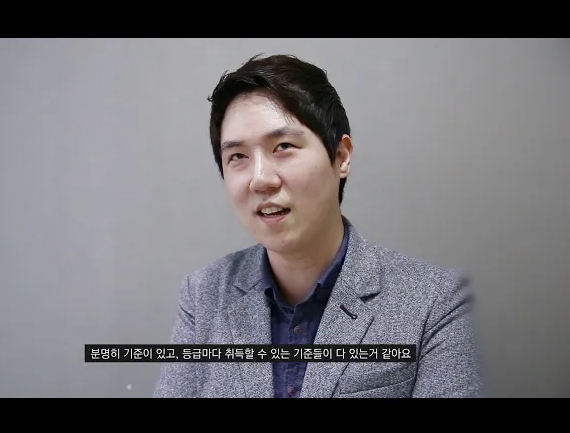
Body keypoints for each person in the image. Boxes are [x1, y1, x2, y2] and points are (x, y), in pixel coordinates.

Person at [153, 53, 484, 398]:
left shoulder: (435, 302)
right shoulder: (204, 294)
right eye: (238, 156)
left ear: (341, 157)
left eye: (283, 146)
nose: (260, 179)